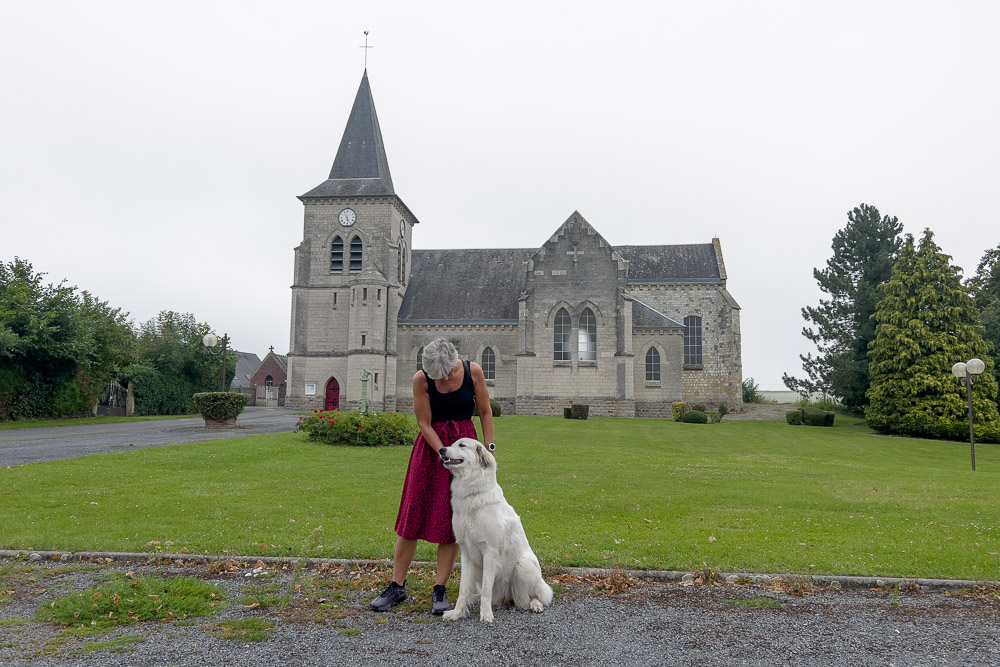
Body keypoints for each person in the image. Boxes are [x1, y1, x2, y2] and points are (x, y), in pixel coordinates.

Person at [369, 338, 495, 614]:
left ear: (455, 361)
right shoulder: (421, 380)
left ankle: (440, 589)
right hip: (431, 451)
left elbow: (485, 411)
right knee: (411, 518)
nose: (446, 377)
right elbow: (424, 422)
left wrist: (489, 447)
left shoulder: (473, 371)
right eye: (439, 375)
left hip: (463, 453)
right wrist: (441, 452)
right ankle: (397, 585)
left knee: (450, 523)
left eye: (449, 372)